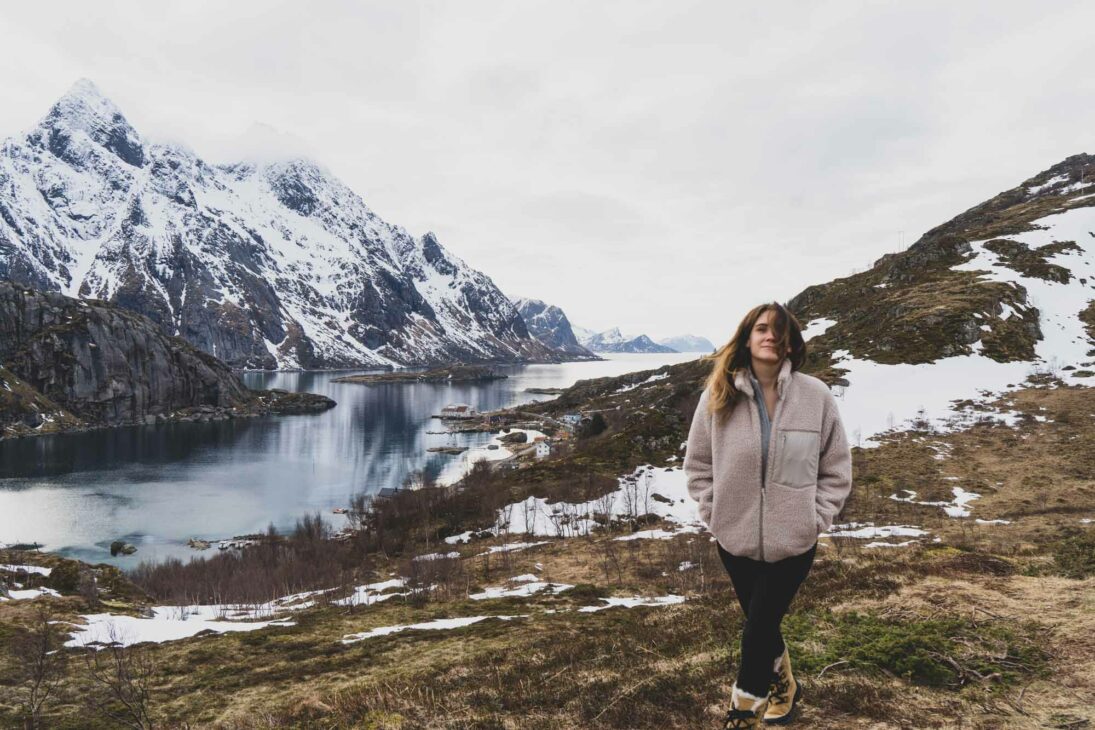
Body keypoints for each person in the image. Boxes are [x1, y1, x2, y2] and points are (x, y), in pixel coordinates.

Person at [684, 302, 852, 728]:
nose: (770, 336)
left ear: (793, 344)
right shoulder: (718, 395)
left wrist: (815, 518)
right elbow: (699, 465)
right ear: (746, 337)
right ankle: (787, 688)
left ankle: (744, 708)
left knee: (757, 629)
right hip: (734, 541)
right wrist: (714, 512)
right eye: (761, 328)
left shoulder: (816, 397)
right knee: (765, 626)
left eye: (780, 330)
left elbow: (834, 469)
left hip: (794, 542)